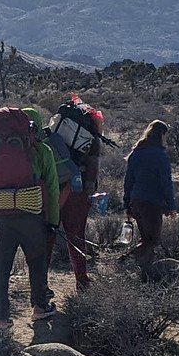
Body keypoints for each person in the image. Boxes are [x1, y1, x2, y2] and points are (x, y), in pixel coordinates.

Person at [0, 106, 60, 326]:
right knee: (36, 261)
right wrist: (53, 221)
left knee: (2, 265)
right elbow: (53, 190)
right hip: (32, 215)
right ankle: (39, 306)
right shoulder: (42, 151)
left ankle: (1, 317)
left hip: (3, 216)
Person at [52, 97, 106, 290]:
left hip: (54, 188)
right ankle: (82, 280)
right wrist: (90, 188)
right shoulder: (92, 138)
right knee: (76, 235)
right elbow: (93, 164)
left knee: (48, 233)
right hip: (77, 189)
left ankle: (40, 284)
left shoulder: (55, 131)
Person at [123, 119, 176, 275]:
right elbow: (166, 182)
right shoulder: (160, 156)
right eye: (165, 135)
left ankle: (142, 270)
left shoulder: (136, 153)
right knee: (152, 240)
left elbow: (128, 181)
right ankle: (125, 262)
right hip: (151, 204)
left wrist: (127, 204)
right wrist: (171, 205)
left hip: (136, 201)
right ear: (161, 135)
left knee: (146, 239)